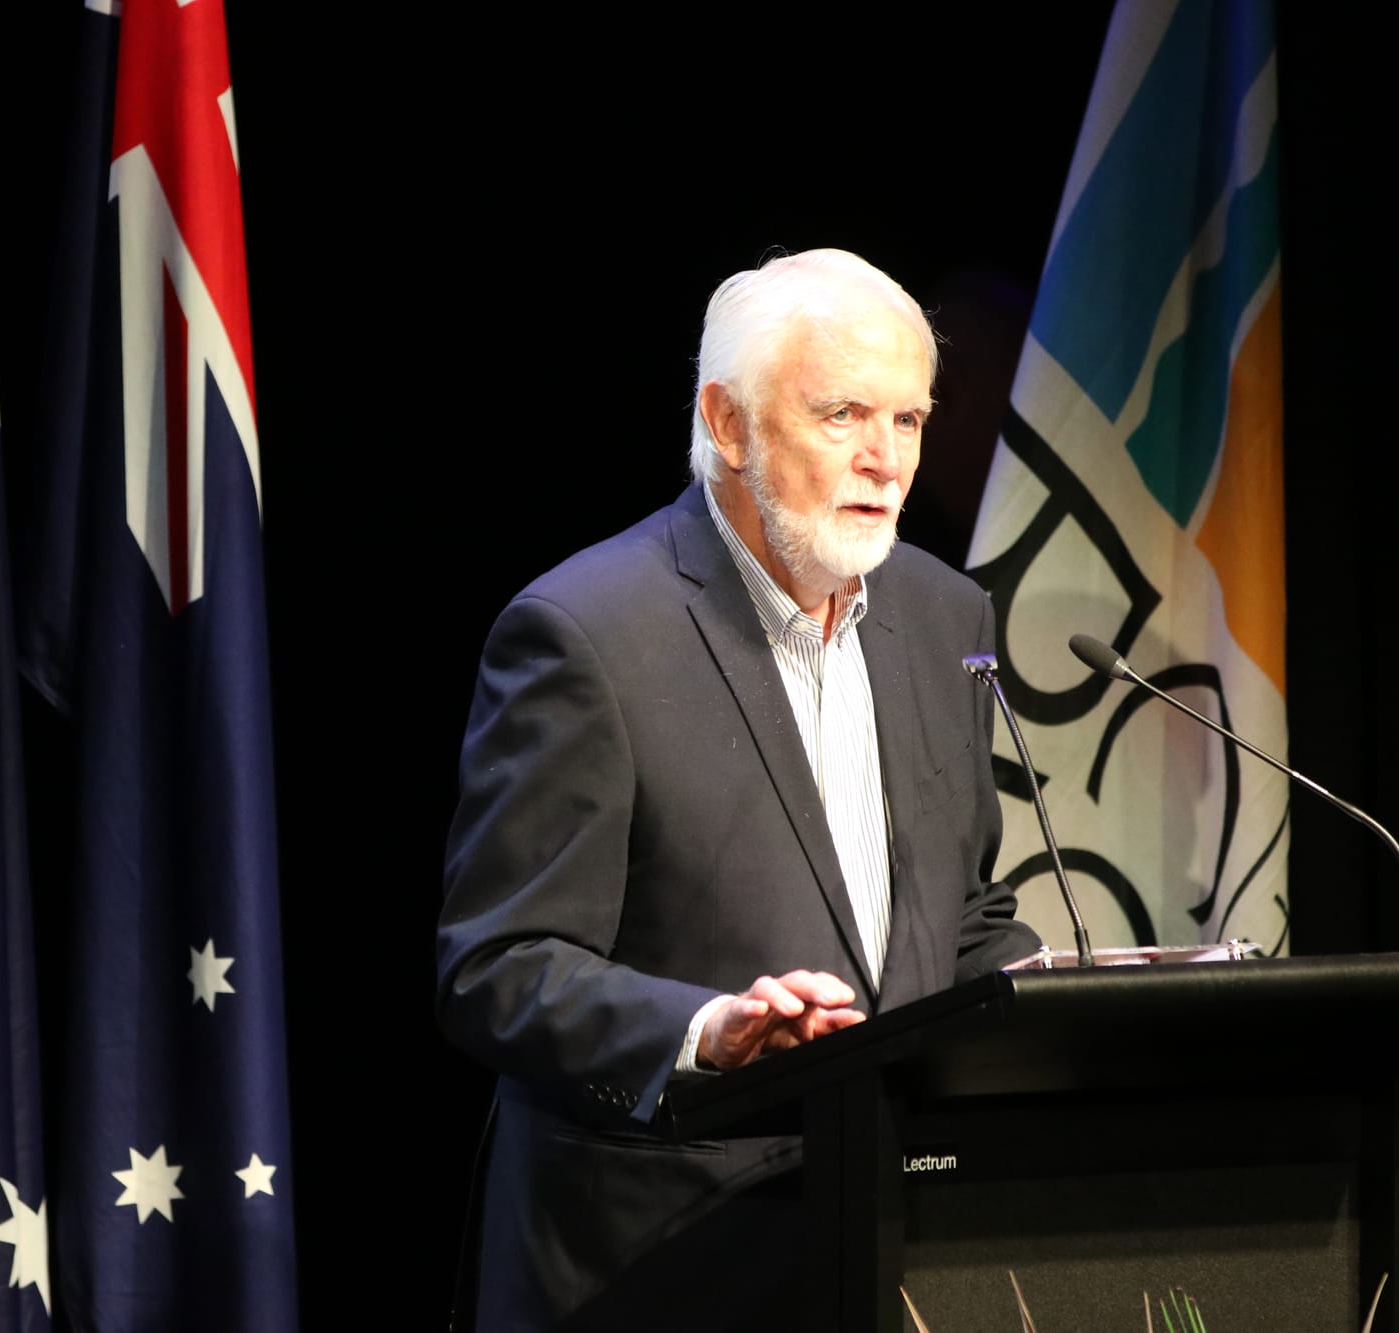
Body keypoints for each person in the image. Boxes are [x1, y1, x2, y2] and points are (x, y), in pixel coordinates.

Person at [435, 248, 1041, 1329]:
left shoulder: (945, 616)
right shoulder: (585, 635)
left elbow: (958, 914)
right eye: (843, 415)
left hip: (891, 1244)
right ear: (728, 423)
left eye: (907, 419)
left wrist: (1071, 990)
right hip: (660, 1265)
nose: (885, 459)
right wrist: (706, 1028)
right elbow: (498, 966)